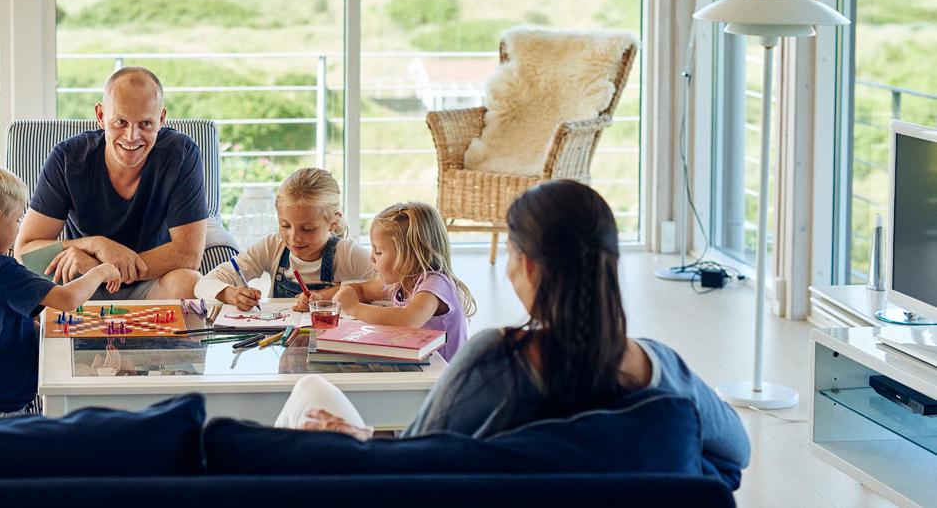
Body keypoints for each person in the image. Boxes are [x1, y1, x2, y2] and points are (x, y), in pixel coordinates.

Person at [274, 180, 750, 490]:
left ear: (527, 266)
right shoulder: (662, 369)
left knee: (310, 390)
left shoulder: (497, 360)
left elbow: (415, 463)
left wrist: (362, 438)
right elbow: (737, 453)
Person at [0, 162, 119, 423]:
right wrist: (102, 271)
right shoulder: (2, 270)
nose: (17, 230)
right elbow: (67, 299)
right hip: (1, 412)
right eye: (16, 220)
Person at [16, 67, 207, 300]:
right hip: (84, 284)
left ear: (161, 119)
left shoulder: (181, 153)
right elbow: (24, 252)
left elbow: (188, 254)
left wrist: (103, 268)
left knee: (189, 283)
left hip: (148, 281)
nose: (131, 137)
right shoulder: (67, 159)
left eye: (145, 124)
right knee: (36, 291)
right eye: (120, 122)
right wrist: (94, 245)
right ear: (101, 116)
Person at [194, 168, 374, 310]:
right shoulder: (273, 246)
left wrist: (330, 295)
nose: (294, 238)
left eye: (307, 229)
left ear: (333, 223)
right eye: (285, 226)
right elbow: (202, 285)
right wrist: (231, 294)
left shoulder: (347, 253)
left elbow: (386, 288)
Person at [317, 201, 474, 364]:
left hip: (444, 373)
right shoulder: (402, 281)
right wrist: (322, 297)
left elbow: (408, 321)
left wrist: (354, 307)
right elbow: (363, 290)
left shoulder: (435, 285)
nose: (371, 257)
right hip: (421, 365)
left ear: (409, 257)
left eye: (378, 251)